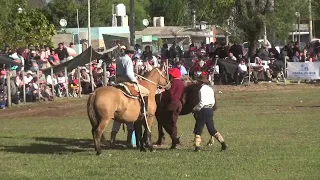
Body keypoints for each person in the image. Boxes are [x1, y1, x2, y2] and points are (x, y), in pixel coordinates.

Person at [192, 74, 228, 152]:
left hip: (203, 110)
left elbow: (202, 102)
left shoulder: (201, 90)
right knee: (212, 129)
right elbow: (213, 101)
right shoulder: (210, 89)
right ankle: (223, 144)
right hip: (209, 110)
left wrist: (195, 109)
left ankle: (197, 147)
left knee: (198, 129)